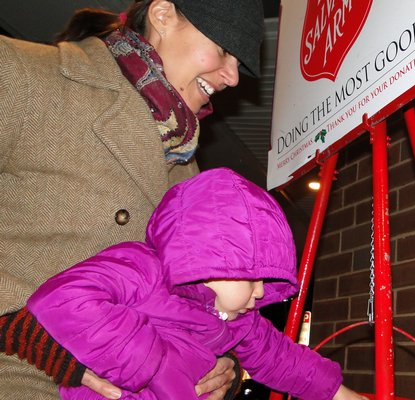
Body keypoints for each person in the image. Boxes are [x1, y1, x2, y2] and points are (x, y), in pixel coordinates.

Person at [0, 1, 263, 398]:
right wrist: (17, 330)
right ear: (162, 15)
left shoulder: (186, 171)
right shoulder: (23, 73)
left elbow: (192, 299)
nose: (232, 77)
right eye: (225, 50)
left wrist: (217, 364)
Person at [22, 168, 367, 400]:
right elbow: (61, 298)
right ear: (211, 259)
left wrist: (341, 393)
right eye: (254, 277)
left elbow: (282, 358)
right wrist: (151, 362)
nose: (262, 292)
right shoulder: (143, 269)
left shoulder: (239, 321)